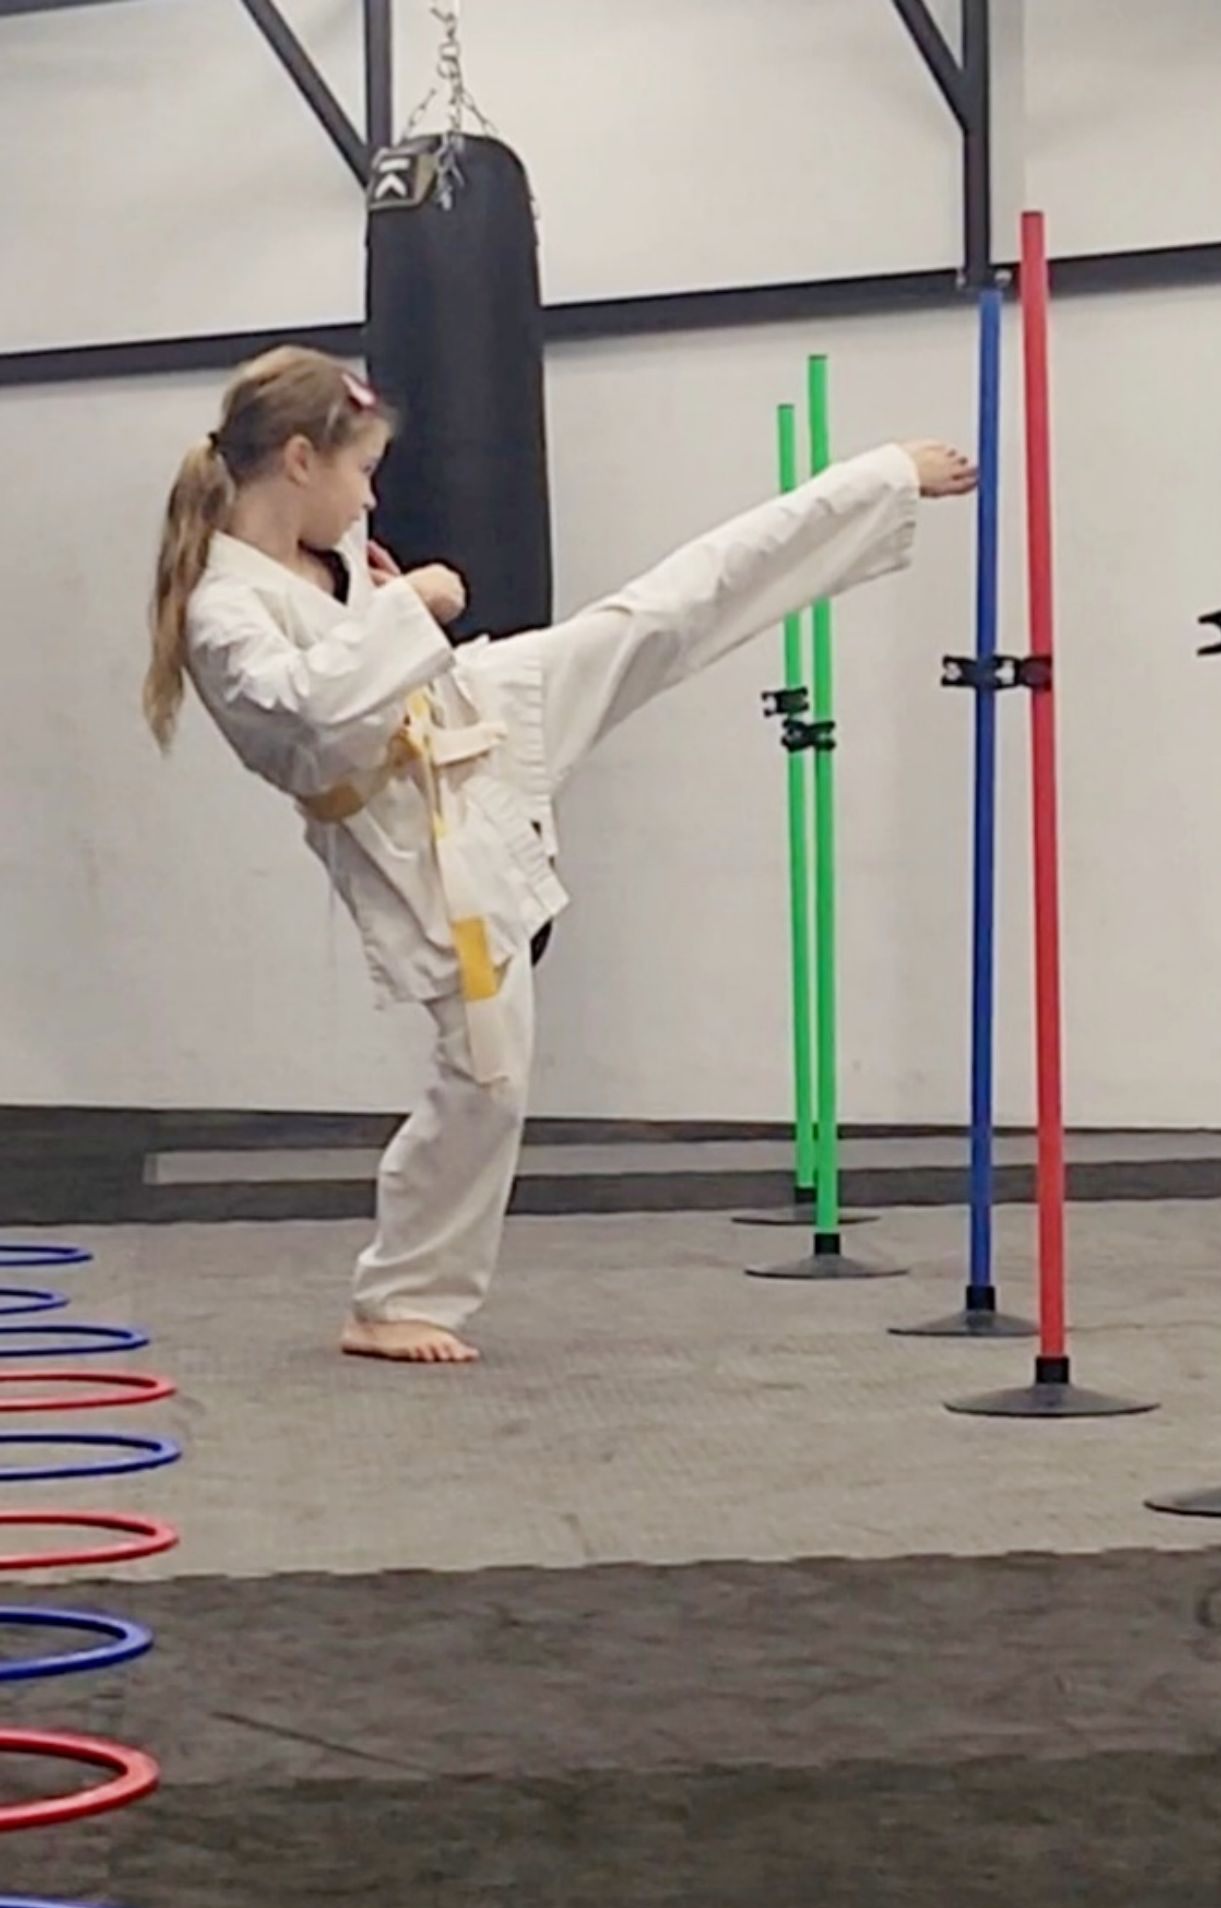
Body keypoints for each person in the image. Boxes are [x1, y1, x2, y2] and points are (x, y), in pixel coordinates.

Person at [144, 345, 975, 1364]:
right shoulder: (221, 609)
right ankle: (394, 1298)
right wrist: (414, 605)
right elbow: (305, 708)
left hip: (469, 716)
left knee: (663, 613)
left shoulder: (328, 547)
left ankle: (874, 481)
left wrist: (386, 603)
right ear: (300, 460)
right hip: (412, 830)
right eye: (362, 471)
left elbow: (350, 645)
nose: (370, 497)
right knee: (488, 1072)